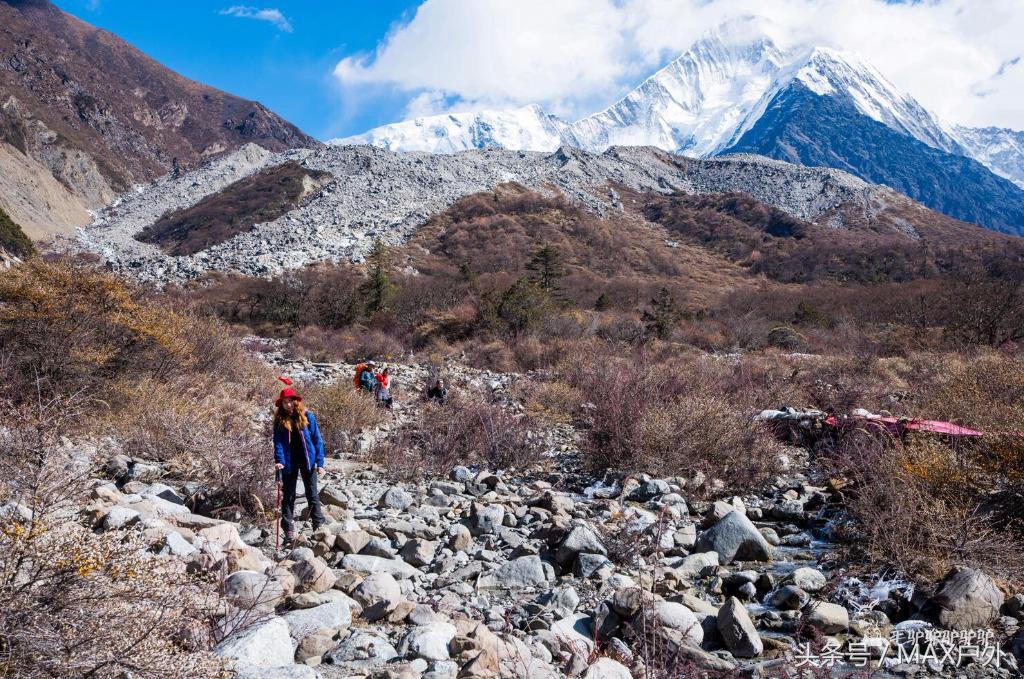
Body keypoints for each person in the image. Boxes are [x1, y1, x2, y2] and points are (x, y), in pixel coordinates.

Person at [272, 377, 326, 543]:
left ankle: (319, 525)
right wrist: (279, 460)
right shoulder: (280, 421)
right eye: (284, 402)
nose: (287, 404)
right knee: (288, 496)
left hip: (307, 460)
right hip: (288, 462)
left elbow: (317, 440)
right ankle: (288, 530)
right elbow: (278, 443)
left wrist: (320, 463)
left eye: (290, 401)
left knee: (312, 493)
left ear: (296, 402)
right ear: (281, 404)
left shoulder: (307, 416)